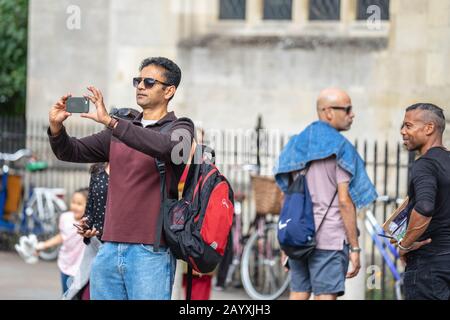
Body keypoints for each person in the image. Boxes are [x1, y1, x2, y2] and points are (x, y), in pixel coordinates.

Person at [47, 57, 194, 300]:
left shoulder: (180, 128)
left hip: (151, 252)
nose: (140, 86)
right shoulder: (120, 130)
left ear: (169, 91)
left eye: (149, 82)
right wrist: (55, 127)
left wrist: (112, 122)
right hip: (108, 249)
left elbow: (167, 148)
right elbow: (70, 151)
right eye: (138, 80)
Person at [274, 88, 377, 300]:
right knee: (325, 296)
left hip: (298, 236)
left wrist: (285, 239)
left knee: (298, 294)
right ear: (328, 112)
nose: (352, 114)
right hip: (329, 238)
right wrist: (355, 249)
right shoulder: (341, 148)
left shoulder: (295, 145)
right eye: (347, 109)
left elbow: (286, 196)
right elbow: (344, 201)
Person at [63, 108, 140, 300]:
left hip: (127, 251)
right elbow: (91, 210)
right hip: (97, 248)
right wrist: (86, 227)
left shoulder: (138, 174)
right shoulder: (98, 170)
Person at [399, 103, 449, 300]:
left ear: (429, 128)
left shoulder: (425, 164)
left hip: (430, 264)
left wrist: (404, 245)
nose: (403, 131)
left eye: (408, 126)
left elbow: (425, 206)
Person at [34, 188, 88, 294]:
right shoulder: (65, 218)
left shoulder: (89, 224)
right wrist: (43, 245)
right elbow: (62, 236)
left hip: (81, 269)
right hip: (65, 264)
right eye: (73, 202)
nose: (75, 206)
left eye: (79, 204)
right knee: (66, 295)